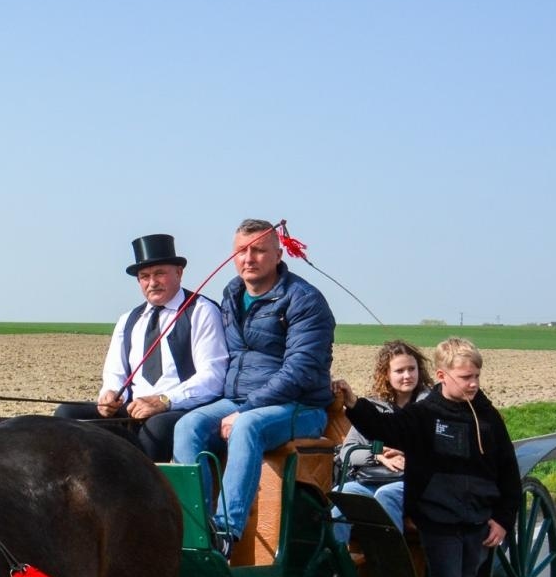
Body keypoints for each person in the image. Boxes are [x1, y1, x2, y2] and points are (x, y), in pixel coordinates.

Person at [333, 337, 521, 577]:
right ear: (442, 375)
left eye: (476, 376)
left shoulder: (487, 415)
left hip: (478, 521)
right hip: (439, 520)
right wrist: (354, 404)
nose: (473, 383)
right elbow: (386, 430)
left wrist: (502, 519)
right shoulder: (425, 413)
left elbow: (508, 471)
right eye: (466, 376)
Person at [170, 219, 335, 553]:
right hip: (236, 399)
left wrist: (246, 409)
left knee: (247, 426)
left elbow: (298, 371)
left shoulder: (304, 300)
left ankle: (225, 536)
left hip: (299, 406)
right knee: (188, 425)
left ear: (277, 254)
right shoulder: (231, 293)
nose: (249, 258)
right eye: (241, 251)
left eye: (258, 250)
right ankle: (193, 529)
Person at [54, 233, 226, 461]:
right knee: (66, 414)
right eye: (144, 276)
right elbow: (115, 373)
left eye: (159, 274)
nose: (152, 282)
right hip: (133, 408)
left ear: (179, 272)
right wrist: (111, 394)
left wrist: (164, 401)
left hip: (180, 408)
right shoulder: (129, 319)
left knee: (156, 428)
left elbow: (212, 377)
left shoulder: (202, 311)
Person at [332, 339, 434, 540]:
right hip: (373, 478)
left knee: (385, 496)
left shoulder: (430, 405)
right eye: (399, 371)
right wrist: (377, 455)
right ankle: (339, 564)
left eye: (411, 369)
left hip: (414, 483)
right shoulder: (373, 408)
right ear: (386, 374)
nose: (407, 376)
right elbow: (348, 451)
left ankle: (392, 569)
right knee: (342, 495)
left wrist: (408, 456)